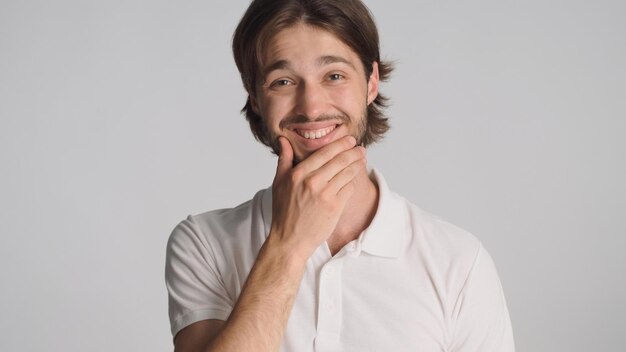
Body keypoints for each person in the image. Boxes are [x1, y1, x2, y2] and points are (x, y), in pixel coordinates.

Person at [165, 0, 515, 351]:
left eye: (334, 76)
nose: (312, 107)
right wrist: (289, 246)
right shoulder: (204, 244)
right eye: (283, 81)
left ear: (371, 82)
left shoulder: (458, 261)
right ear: (255, 97)